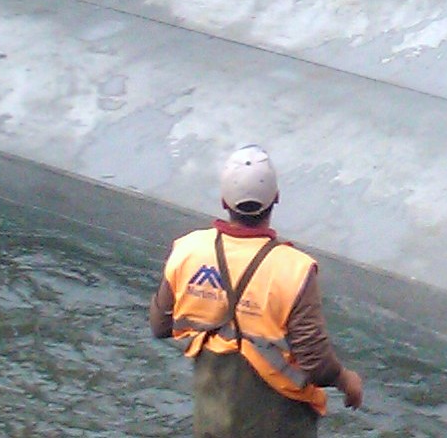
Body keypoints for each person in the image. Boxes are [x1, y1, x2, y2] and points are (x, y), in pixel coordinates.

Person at [156, 146, 366, 438]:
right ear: (276, 199)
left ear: (224, 201)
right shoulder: (294, 269)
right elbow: (316, 364)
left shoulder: (189, 250)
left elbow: (160, 325)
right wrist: (346, 380)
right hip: (278, 423)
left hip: (213, 418)